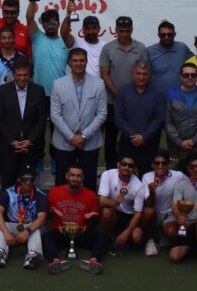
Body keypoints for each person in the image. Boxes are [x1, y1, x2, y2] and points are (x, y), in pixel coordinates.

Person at [50, 47, 108, 191]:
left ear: (87, 62)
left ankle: (89, 206)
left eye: (82, 60)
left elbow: (102, 114)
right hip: (64, 141)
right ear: (69, 62)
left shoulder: (98, 84)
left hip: (90, 142)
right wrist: (72, 137)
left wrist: (83, 136)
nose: (78, 63)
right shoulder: (58, 84)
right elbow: (55, 115)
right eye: (75, 60)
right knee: (62, 182)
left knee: (89, 183)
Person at [99, 16, 148, 167]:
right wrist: (118, 94)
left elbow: (144, 72)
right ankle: (110, 168)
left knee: (132, 136)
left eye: (127, 31)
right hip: (112, 101)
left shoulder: (140, 48)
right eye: (121, 31)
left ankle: (131, 167)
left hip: (135, 102)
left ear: (131, 30)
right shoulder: (108, 48)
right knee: (111, 137)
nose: (124, 34)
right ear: (116, 30)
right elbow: (104, 74)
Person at [42, 165, 109, 275]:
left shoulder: (91, 195)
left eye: (78, 176)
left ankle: (93, 261)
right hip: (61, 232)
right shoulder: (54, 192)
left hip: (81, 233)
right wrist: (52, 210)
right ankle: (56, 261)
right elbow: (46, 215)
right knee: (45, 237)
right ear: (67, 176)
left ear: (83, 178)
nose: (75, 179)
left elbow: (95, 217)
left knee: (102, 236)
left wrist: (93, 216)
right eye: (72, 175)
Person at [0, 58, 48, 188]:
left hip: (30, 148)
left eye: (25, 75)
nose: (22, 78)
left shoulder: (39, 91)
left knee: (29, 187)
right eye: (19, 75)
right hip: (9, 148)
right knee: (8, 186)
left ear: (29, 75)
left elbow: (41, 120)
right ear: (13, 74)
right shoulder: (2, 91)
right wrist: (12, 141)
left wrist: (29, 140)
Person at [0, 165, 48, 269]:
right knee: (2, 225)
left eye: (31, 179)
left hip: (30, 227)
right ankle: (0, 253)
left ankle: (32, 256)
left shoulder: (40, 195)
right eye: (25, 179)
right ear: (19, 179)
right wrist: (6, 233)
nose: (28, 182)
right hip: (12, 226)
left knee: (37, 228)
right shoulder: (9, 192)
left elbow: (42, 218)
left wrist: (26, 232)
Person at [113, 61, 165, 176]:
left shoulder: (158, 93)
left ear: (149, 74)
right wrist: (133, 136)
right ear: (133, 73)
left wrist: (143, 137)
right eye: (138, 73)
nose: (141, 77)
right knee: (123, 177)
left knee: (147, 177)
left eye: (145, 74)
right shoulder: (122, 91)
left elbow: (159, 118)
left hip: (149, 144)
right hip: (127, 143)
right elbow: (118, 117)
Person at [164, 63, 197, 169]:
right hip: (175, 145)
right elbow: (167, 121)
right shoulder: (171, 94)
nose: (190, 77)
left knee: (195, 174)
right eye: (186, 75)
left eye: (193, 75)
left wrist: (193, 140)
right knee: (174, 176)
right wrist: (179, 141)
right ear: (181, 76)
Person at [141, 151, 185, 257]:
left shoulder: (178, 175)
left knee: (171, 231)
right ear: (152, 165)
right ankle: (150, 240)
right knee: (148, 211)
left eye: (163, 163)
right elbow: (149, 204)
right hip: (155, 215)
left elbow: (191, 182)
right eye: (157, 163)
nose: (160, 166)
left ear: (168, 164)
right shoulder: (147, 177)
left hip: (170, 214)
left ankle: (164, 235)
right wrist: (152, 192)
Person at [98, 156, 144, 255]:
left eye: (130, 166)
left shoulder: (139, 186)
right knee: (107, 211)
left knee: (137, 237)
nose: (127, 167)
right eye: (124, 164)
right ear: (118, 164)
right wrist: (115, 202)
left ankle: (122, 239)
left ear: (133, 168)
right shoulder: (108, 175)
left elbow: (138, 214)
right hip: (114, 212)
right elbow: (102, 201)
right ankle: (108, 238)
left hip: (128, 216)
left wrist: (127, 232)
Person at [26, 4, 68, 102]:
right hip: (38, 94)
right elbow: (29, 18)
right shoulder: (37, 37)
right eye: (46, 24)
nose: (49, 26)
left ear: (58, 24)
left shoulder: (66, 42)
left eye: (52, 23)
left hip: (60, 94)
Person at [146, 20, 191, 97]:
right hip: (157, 98)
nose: (166, 37)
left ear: (174, 34)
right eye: (163, 35)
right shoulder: (149, 51)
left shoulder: (182, 48)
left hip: (179, 98)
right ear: (158, 35)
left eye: (169, 35)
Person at [61, 13, 106, 79]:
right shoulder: (76, 42)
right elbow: (64, 34)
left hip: (98, 84)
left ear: (99, 29)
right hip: (77, 83)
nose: (90, 32)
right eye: (87, 28)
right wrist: (68, 15)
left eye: (94, 28)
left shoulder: (105, 46)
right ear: (83, 29)